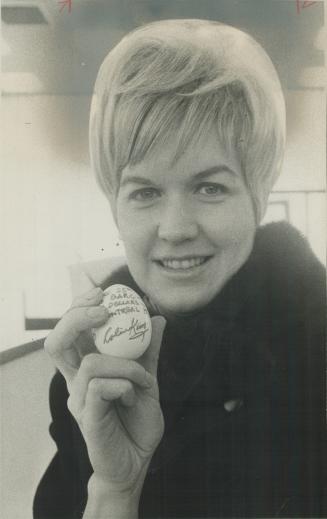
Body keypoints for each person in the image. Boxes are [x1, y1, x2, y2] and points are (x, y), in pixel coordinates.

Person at [33, 19, 326, 518]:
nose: (175, 228)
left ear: (256, 196)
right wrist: (115, 488)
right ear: (115, 206)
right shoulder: (86, 375)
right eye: (145, 192)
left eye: (210, 187)